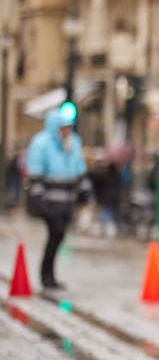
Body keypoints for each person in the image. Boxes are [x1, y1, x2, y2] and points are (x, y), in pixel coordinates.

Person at [24, 106, 89, 290]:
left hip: (67, 201)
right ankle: (46, 276)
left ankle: (49, 275)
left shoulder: (73, 143)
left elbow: (79, 170)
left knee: (58, 237)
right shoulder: (41, 143)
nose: (66, 131)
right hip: (50, 202)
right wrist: (38, 199)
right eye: (63, 127)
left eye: (68, 127)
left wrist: (85, 194)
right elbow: (35, 172)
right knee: (56, 234)